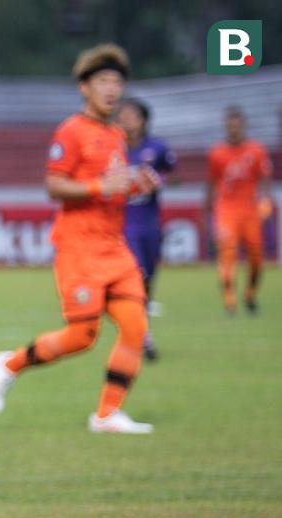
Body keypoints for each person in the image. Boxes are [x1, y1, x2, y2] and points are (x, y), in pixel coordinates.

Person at [0, 44, 160, 434]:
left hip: (115, 248)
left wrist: (135, 185)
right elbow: (54, 185)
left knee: (135, 327)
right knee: (82, 336)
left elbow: (111, 187)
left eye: (117, 82)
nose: (112, 90)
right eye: (103, 81)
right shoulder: (71, 130)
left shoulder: (115, 134)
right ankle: (8, 365)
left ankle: (107, 415)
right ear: (85, 87)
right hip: (79, 248)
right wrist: (101, 185)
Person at [117, 97, 176, 360]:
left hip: (150, 224)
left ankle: (140, 327)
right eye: (123, 115)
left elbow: (174, 176)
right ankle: (142, 336)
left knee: (149, 279)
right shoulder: (113, 148)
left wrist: (157, 181)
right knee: (137, 275)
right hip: (124, 224)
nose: (126, 120)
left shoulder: (158, 148)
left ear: (143, 120)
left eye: (132, 115)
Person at [206, 106, 273, 315]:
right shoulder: (217, 153)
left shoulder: (257, 150)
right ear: (226, 127)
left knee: (256, 258)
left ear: (243, 125)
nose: (233, 129)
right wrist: (206, 211)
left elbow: (264, 179)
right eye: (230, 125)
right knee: (227, 254)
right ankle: (230, 300)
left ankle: (250, 293)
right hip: (226, 210)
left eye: (237, 125)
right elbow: (211, 183)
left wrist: (266, 201)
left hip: (250, 211)